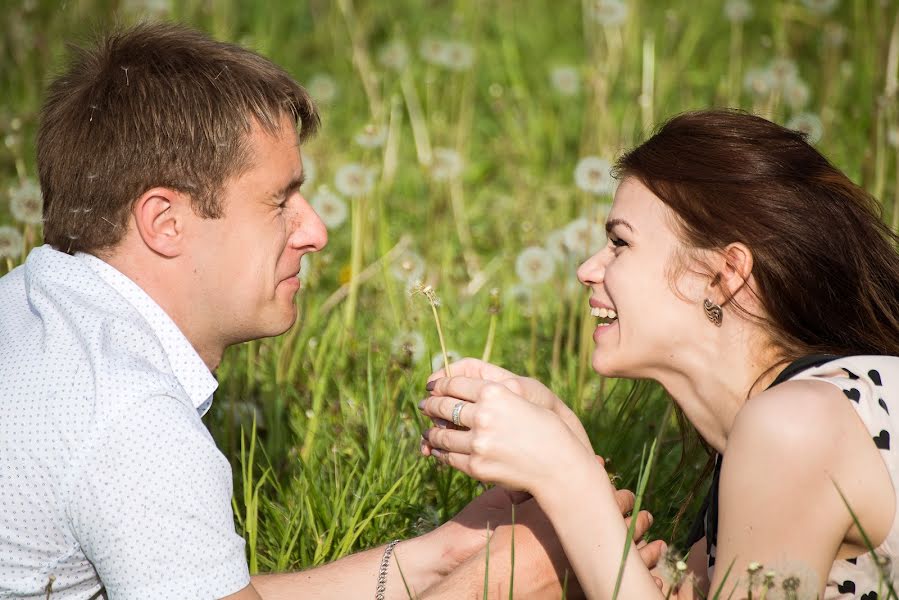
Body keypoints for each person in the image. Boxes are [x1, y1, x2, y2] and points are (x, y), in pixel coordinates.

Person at [0, 22, 664, 599]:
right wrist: (493, 586)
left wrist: (438, 557)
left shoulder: (38, 311)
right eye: (279, 200)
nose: (314, 230)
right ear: (164, 222)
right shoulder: (130, 418)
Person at [420, 109, 899, 599]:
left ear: (725, 274)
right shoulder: (790, 430)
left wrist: (566, 474)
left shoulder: (796, 426)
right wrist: (562, 432)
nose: (588, 269)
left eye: (619, 242)